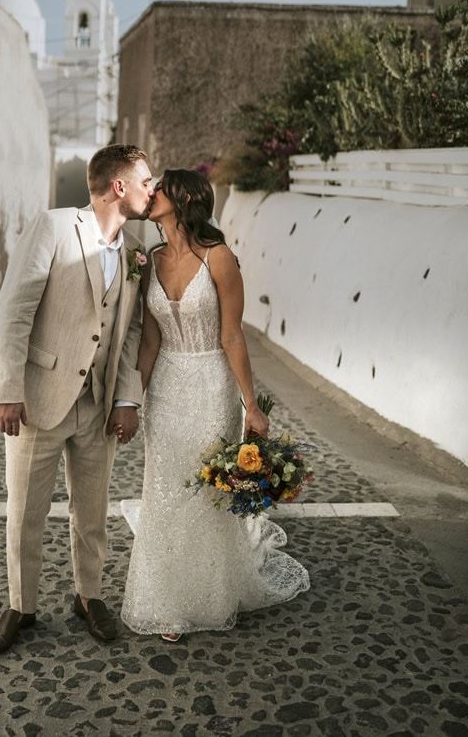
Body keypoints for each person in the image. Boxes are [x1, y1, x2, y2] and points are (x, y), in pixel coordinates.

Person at [120, 169, 310, 642]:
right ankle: (169, 599)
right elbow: (149, 340)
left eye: (159, 187)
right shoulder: (151, 261)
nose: (152, 192)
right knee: (165, 484)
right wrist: (129, 400)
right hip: (165, 387)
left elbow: (231, 335)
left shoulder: (220, 259)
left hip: (211, 386)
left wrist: (252, 406)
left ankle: (209, 591)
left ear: (183, 199)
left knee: (204, 490)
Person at [0, 145, 154, 654]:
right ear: (118, 186)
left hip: (98, 405)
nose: (153, 187)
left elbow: (130, 332)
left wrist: (127, 398)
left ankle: (90, 596)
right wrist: (6, 390)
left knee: (92, 511)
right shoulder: (54, 228)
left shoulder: (136, 251)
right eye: (145, 179)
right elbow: (13, 311)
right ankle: (19, 605)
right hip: (38, 398)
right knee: (25, 512)